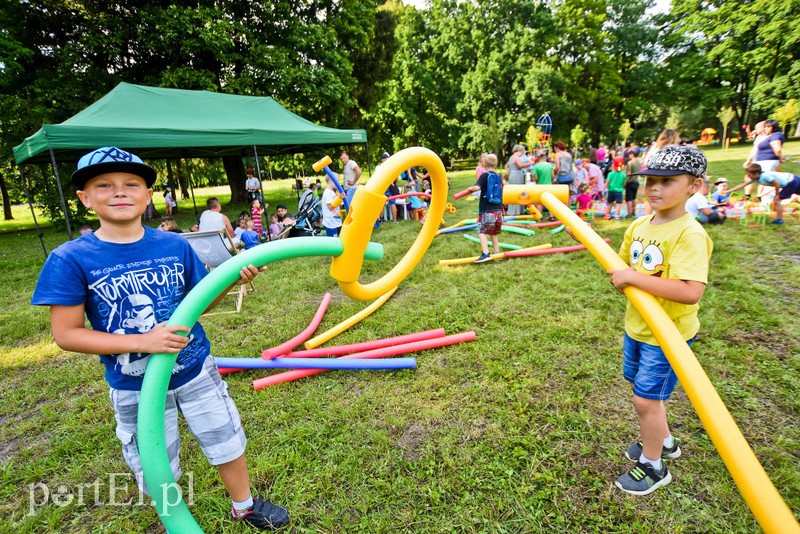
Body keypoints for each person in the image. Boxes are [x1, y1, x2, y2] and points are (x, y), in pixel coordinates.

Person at [30, 146, 290, 530]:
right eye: (104, 185)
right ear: (84, 198)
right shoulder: (71, 258)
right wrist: (143, 342)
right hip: (134, 385)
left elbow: (199, 301)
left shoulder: (174, 245)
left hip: (194, 368)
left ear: (147, 195)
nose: (119, 192)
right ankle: (175, 518)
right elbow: (67, 334)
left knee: (225, 438)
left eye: (131, 184)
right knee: (156, 461)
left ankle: (246, 505)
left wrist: (233, 277)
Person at [611, 144, 713, 495]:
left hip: (667, 334)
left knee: (645, 400)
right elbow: (625, 265)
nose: (655, 187)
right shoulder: (640, 225)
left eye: (667, 181)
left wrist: (634, 279)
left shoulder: (689, 233)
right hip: (638, 327)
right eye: (651, 180)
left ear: (694, 186)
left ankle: (654, 466)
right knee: (644, 393)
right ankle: (665, 441)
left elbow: (690, 291)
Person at [727, 164, 800, 224]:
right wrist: (728, 191)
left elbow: (777, 184)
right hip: (793, 178)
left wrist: (776, 195)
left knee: (777, 201)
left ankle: (779, 220)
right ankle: (779, 219)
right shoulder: (755, 178)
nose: (748, 176)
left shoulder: (765, 176)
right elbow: (742, 185)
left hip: (790, 182)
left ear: (756, 174)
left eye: (749, 175)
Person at [465, 153, 503, 263]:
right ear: (495, 164)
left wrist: (471, 188)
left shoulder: (485, 176)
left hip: (487, 209)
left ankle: (486, 253)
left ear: (484, 164)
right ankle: (497, 253)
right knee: (494, 232)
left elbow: (477, 187)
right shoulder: (498, 176)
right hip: (498, 209)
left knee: (482, 230)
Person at [506, 144, 531, 216]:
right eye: (522, 152)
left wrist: (511, 171)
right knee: (517, 191)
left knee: (518, 191)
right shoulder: (516, 157)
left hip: (514, 174)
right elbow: (520, 165)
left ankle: (518, 210)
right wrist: (529, 163)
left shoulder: (511, 157)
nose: (522, 154)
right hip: (517, 175)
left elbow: (507, 166)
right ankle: (515, 211)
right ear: (519, 151)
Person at [625, 149, 643, 218]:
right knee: (633, 198)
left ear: (632, 154)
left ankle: (629, 214)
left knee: (629, 199)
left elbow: (629, 173)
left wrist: (626, 182)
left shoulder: (630, 163)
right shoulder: (639, 162)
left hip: (630, 182)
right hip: (636, 182)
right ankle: (634, 212)